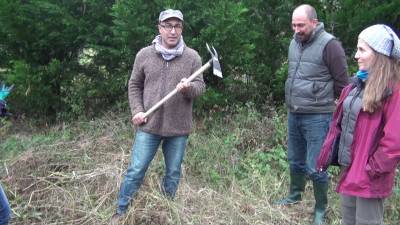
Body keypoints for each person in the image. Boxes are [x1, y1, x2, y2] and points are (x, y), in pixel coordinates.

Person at [109, 9, 205, 224]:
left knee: (172, 173)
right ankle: (121, 211)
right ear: (159, 28)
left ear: (182, 28)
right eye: (168, 26)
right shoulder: (144, 55)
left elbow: (200, 89)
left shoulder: (192, 57)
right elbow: (134, 84)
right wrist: (137, 110)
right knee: (136, 170)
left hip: (178, 129)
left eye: (177, 26)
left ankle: (165, 210)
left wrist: (187, 88)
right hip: (149, 126)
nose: (173, 31)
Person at [317, 24, 400, 225]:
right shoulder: (356, 85)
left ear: (379, 55)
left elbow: (395, 140)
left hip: (370, 178)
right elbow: (339, 125)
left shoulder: (394, 90)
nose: (356, 56)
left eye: (362, 50)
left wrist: (374, 168)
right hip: (350, 173)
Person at [275, 4, 349, 225]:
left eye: (301, 25)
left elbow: (343, 85)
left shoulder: (330, 45)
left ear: (314, 23)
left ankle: (320, 209)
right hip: (294, 112)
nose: (296, 29)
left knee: (316, 165)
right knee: (295, 159)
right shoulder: (294, 42)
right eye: (293, 25)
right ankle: (295, 195)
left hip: (318, 116)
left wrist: (327, 105)